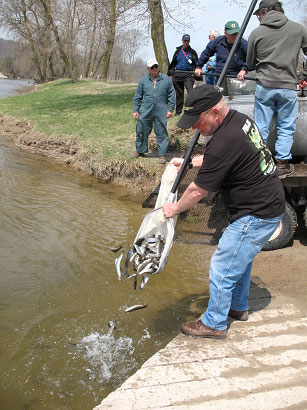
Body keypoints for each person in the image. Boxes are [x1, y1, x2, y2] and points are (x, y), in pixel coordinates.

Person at [163, 85, 285, 339]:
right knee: (240, 259)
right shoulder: (239, 120)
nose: (194, 128)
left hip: (257, 212)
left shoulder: (224, 138)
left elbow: (198, 191)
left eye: (197, 122)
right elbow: (223, 158)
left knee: (222, 265)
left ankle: (214, 323)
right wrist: (188, 162)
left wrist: (173, 209)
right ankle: (238, 307)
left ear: (215, 112)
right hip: (267, 205)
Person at [244, 0, 307, 178]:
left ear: (266, 12)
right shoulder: (298, 29)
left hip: (265, 85)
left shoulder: (257, 33)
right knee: (286, 126)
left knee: (261, 127)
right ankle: (282, 164)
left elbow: (249, 63)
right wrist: (303, 75)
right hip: (288, 86)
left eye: (258, 14)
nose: (258, 18)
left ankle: (260, 163)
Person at [133, 58, 175, 164]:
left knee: (161, 132)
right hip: (145, 109)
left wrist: (170, 109)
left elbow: (171, 95)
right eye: (152, 67)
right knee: (141, 130)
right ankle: (140, 150)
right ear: (148, 69)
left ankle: (162, 155)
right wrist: (135, 110)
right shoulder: (143, 80)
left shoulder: (166, 79)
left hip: (161, 109)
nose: (155, 68)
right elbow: (138, 96)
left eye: (156, 66)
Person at [167, 34, 199, 116]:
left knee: (191, 92)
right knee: (179, 94)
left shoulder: (192, 52)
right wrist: (173, 73)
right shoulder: (178, 51)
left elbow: (197, 64)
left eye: (188, 41)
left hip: (188, 75)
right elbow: (173, 62)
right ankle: (178, 112)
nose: (186, 42)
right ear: (182, 41)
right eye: (185, 41)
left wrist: (194, 74)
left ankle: (192, 111)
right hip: (177, 75)